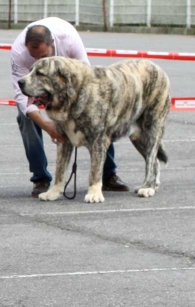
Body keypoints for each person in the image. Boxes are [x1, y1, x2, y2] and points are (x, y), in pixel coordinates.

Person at [11, 17, 129, 197]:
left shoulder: (68, 39)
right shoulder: (19, 52)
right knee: (25, 119)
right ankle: (41, 178)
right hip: (36, 83)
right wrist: (47, 125)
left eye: (43, 56)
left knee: (98, 115)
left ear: (52, 44)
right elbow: (22, 96)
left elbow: (88, 78)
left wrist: (76, 109)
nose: (38, 59)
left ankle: (108, 175)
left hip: (67, 82)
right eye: (34, 57)